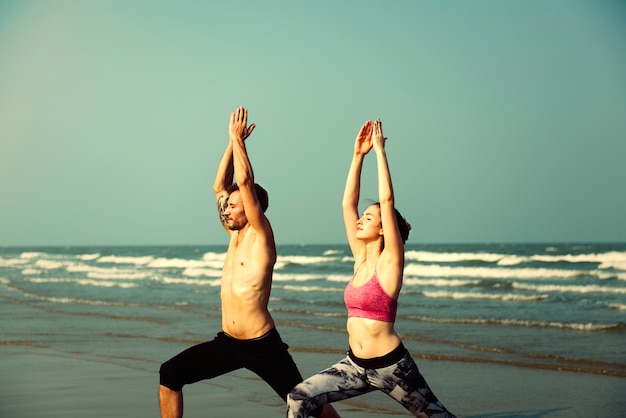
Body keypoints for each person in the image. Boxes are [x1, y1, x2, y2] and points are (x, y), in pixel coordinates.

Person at [159, 107, 339, 418]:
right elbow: (220, 186)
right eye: (226, 206)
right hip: (228, 342)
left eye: (233, 205)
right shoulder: (234, 235)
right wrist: (230, 143)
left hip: (261, 345)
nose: (225, 209)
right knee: (170, 374)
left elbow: (244, 181)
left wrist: (239, 141)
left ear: (252, 208)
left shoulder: (261, 235)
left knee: (304, 401)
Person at [286, 119, 456, 418]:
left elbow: (387, 201)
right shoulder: (360, 258)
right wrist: (357, 156)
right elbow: (346, 205)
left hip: (392, 367)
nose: (361, 219)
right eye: (362, 215)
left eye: (369, 217)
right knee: (299, 398)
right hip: (354, 366)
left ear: (383, 229)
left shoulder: (390, 262)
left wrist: (379, 151)